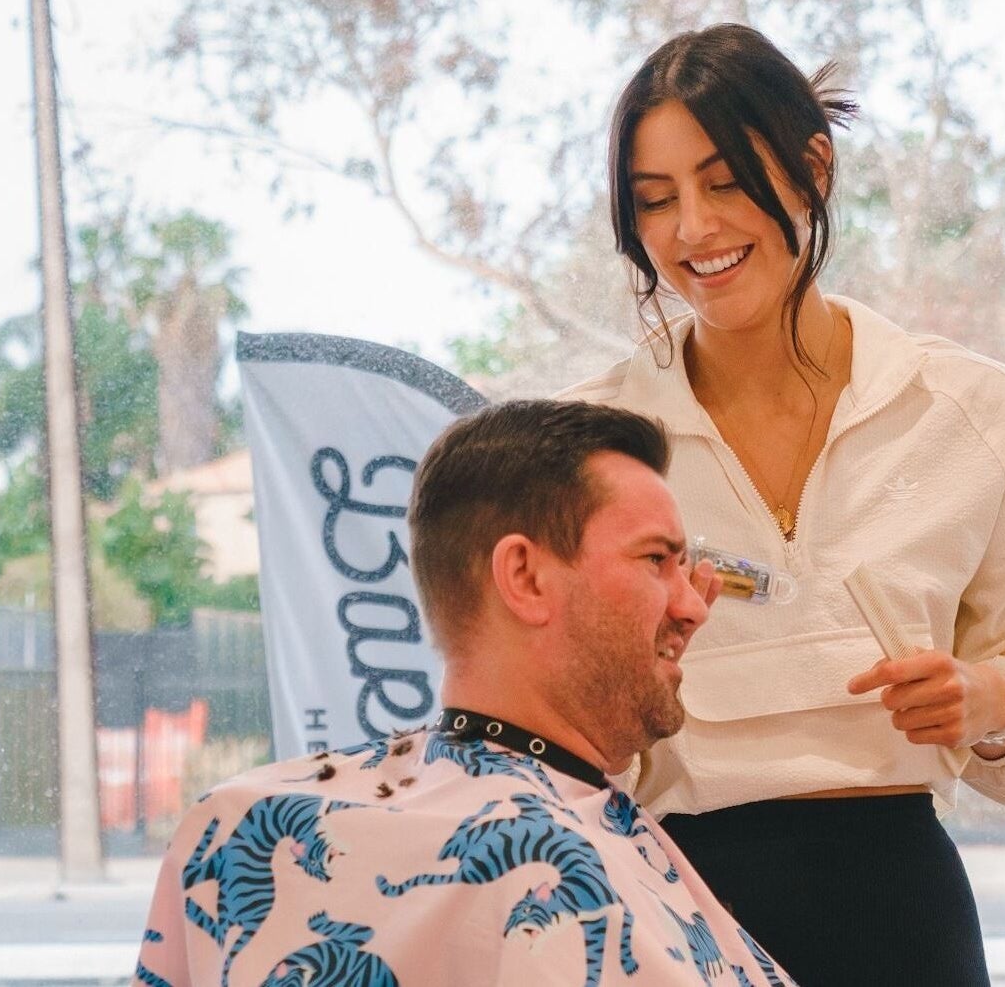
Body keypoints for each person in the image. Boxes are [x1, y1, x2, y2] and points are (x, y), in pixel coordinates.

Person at [558, 23, 1005, 985]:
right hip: (670, 916)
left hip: (904, 918)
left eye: (725, 182)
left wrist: (988, 702)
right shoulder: (591, 439)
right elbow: (555, 733)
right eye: (655, 201)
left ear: (813, 166)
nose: (693, 230)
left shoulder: (972, 411)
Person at [130, 400, 799, 987]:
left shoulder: (229, 822)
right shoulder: (557, 875)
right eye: (658, 558)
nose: (695, 606)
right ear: (525, 576)